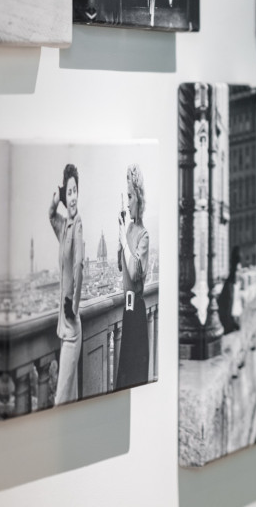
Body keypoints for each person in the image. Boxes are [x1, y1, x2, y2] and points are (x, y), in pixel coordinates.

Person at [49, 164, 85, 406]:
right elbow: (51, 216)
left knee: (61, 400)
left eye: (75, 192)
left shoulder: (78, 224)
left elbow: (79, 265)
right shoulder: (64, 227)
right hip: (64, 327)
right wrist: (56, 201)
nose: (72, 198)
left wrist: (75, 303)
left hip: (71, 325)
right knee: (70, 399)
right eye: (68, 192)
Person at [115, 165, 151, 389]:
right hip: (126, 311)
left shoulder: (144, 235)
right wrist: (119, 234)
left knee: (134, 374)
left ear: (138, 198)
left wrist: (124, 238)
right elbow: (121, 266)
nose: (128, 203)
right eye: (126, 197)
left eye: (130, 196)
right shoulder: (128, 231)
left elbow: (135, 270)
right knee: (123, 376)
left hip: (136, 311)